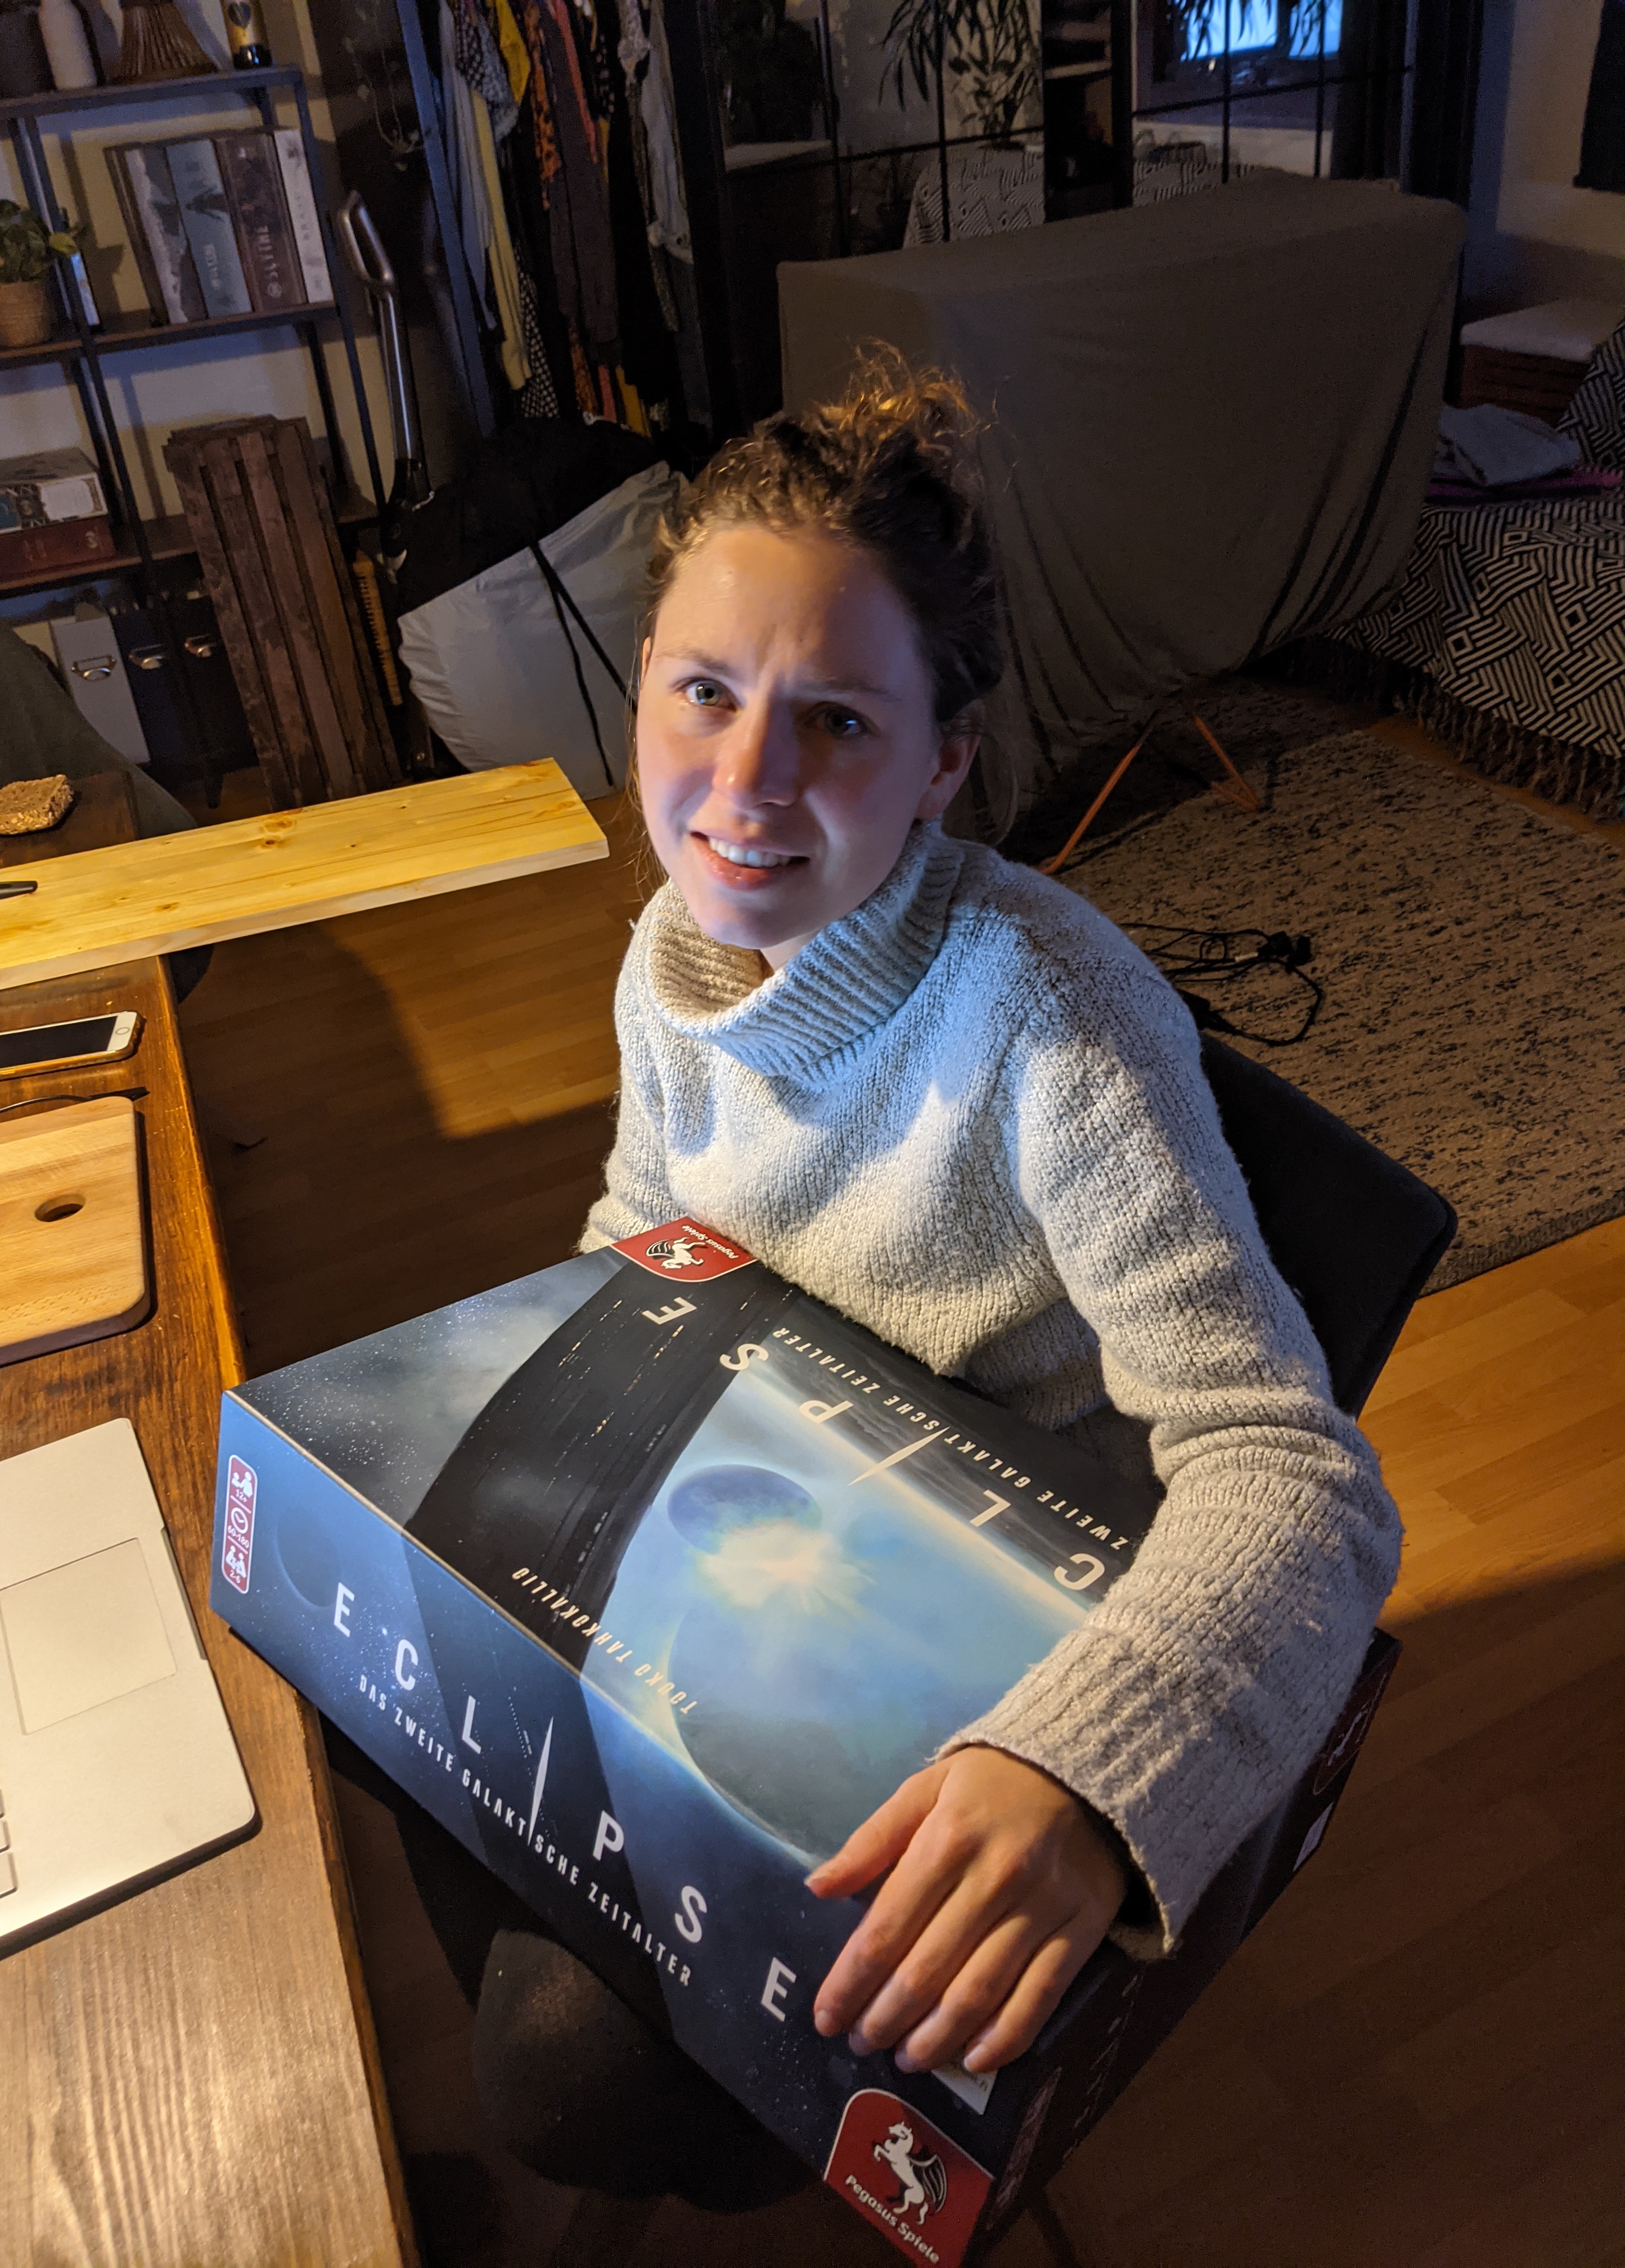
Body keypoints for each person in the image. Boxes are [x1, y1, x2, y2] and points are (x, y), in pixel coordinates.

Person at [468, 350, 1400, 2199]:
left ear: (945, 761)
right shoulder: (671, 950)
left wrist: (1086, 1770)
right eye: (706, 692)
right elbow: (643, 1226)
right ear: (641, 687)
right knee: (386, 1690)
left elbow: (1299, 1478)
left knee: (564, 2074)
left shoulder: (1051, 1017)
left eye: (835, 721)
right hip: (778, 1537)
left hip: (1000, 1623)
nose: (745, 782)